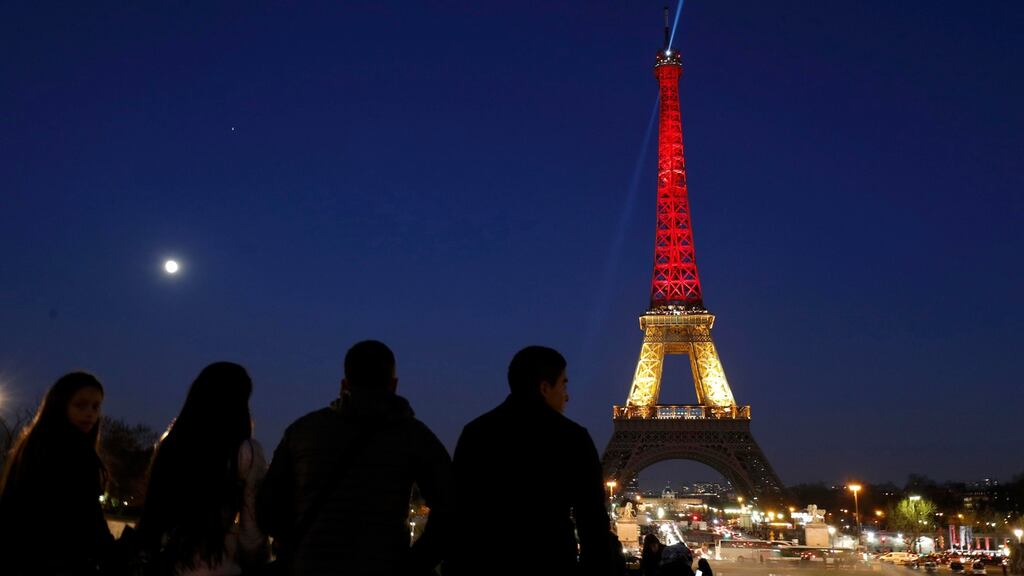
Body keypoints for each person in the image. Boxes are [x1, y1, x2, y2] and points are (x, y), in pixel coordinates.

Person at [257, 340, 451, 576]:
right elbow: (451, 510)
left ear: (344, 384)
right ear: (393, 385)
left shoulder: (302, 432)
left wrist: (299, 544)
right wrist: (413, 565)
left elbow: (267, 507)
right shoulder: (415, 437)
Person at [447, 345, 615, 576]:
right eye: (563, 384)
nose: (567, 395)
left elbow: (457, 512)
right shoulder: (573, 438)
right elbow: (592, 522)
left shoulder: (475, 433)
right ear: (545, 388)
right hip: (550, 562)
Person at [138, 362, 268, 575]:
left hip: (165, 562)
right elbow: (251, 532)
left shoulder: (171, 443)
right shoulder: (247, 452)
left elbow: (153, 511)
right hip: (217, 564)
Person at [0, 371, 114, 575]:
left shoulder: (34, 445)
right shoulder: (71, 450)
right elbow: (85, 514)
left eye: (96, 406)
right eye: (81, 405)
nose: (90, 413)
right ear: (60, 404)